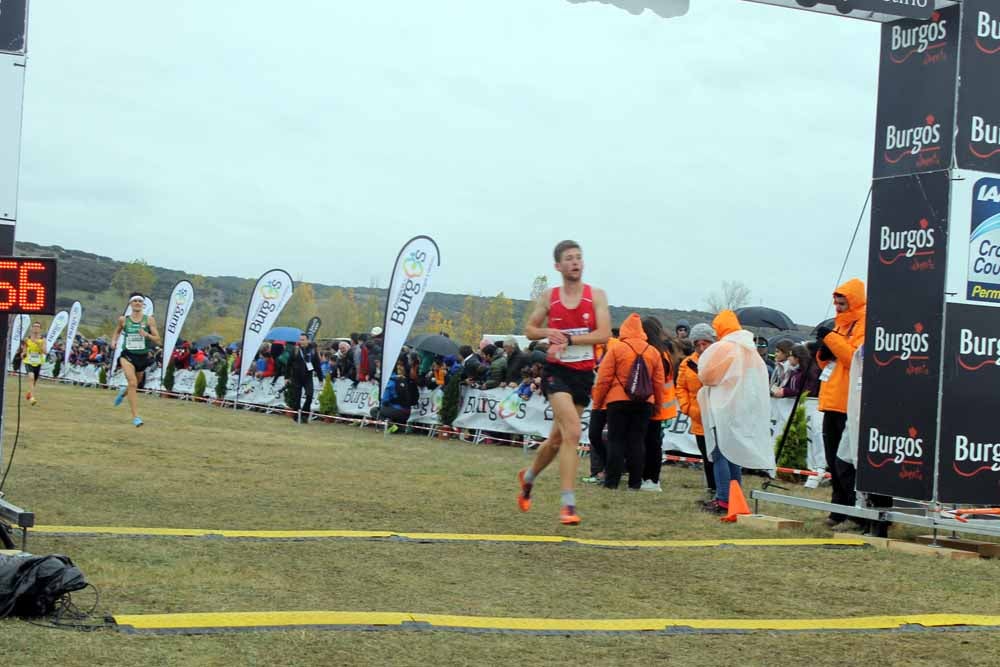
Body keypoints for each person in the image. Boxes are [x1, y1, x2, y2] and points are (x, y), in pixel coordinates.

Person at [518, 240, 610, 525]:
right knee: (572, 431)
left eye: (579, 258)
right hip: (556, 373)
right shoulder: (550, 297)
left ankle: (529, 477)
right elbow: (530, 330)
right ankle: (568, 504)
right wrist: (550, 331)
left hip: (582, 374)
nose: (575, 262)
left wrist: (571, 339)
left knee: (557, 439)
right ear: (558, 266)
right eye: (569, 258)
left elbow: (604, 334)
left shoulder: (596, 295)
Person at [697, 310, 775, 514]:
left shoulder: (724, 347)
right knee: (734, 453)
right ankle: (735, 496)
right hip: (743, 408)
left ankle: (723, 498)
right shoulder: (750, 350)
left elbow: (706, 374)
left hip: (723, 407)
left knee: (720, 453)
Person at [591, 313, 665, 491]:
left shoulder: (616, 349)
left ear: (624, 329)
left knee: (616, 441)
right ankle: (635, 483)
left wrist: (597, 402)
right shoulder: (653, 352)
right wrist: (657, 405)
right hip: (645, 402)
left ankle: (612, 482)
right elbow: (658, 383)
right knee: (637, 441)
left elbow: (604, 379)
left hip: (618, 401)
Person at [816, 279, 867, 531]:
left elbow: (854, 358)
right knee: (832, 460)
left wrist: (831, 341)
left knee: (845, 462)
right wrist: (821, 354)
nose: (837, 305)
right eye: (835, 301)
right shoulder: (839, 325)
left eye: (842, 301)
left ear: (854, 300)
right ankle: (838, 510)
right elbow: (833, 364)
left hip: (850, 403)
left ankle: (855, 514)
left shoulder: (865, 322)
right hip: (832, 400)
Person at [677, 323, 716, 496]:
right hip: (697, 415)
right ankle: (711, 486)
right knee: (706, 454)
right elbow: (680, 387)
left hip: (716, 415)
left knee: (718, 454)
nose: (701, 347)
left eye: (705, 343)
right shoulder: (687, 363)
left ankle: (721, 486)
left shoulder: (720, 360)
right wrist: (687, 407)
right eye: (698, 344)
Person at [111, 293, 162, 427]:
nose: (137, 303)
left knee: (136, 383)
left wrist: (147, 335)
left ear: (143, 304)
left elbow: (158, 339)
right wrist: (114, 341)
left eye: (140, 301)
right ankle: (136, 417)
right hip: (127, 355)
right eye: (135, 301)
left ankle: (124, 393)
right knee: (132, 382)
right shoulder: (123, 320)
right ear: (130, 304)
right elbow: (117, 331)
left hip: (142, 356)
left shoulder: (149, 320)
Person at [640, 316, 678, 492]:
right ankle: (651, 478)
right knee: (653, 443)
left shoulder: (654, 353)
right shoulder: (664, 352)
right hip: (661, 405)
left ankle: (651, 479)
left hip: (654, 404)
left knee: (650, 443)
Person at [286, 333, 324, 424]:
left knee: (310, 395)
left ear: (308, 340)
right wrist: (287, 377)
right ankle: (296, 417)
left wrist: (320, 379)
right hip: (296, 377)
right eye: (300, 339)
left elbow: (317, 366)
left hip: (308, 377)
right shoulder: (295, 350)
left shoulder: (313, 351)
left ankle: (304, 414)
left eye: (303, 339)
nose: (301, 341)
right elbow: (288, 364)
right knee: (297, 398)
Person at [20, 322, 46, 405]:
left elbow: (45, 352)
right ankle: (32, 398)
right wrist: (23, 354)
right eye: (34, 326)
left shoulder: (42, 339)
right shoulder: (26, 339)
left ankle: (29, 393)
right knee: (31, 377)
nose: (36, 328)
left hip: (38, 361)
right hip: (29, 361)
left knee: (34, 381)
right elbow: (24, 351)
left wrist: (38, 343)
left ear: (40, 329)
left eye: (38, 327)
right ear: (31, 328)